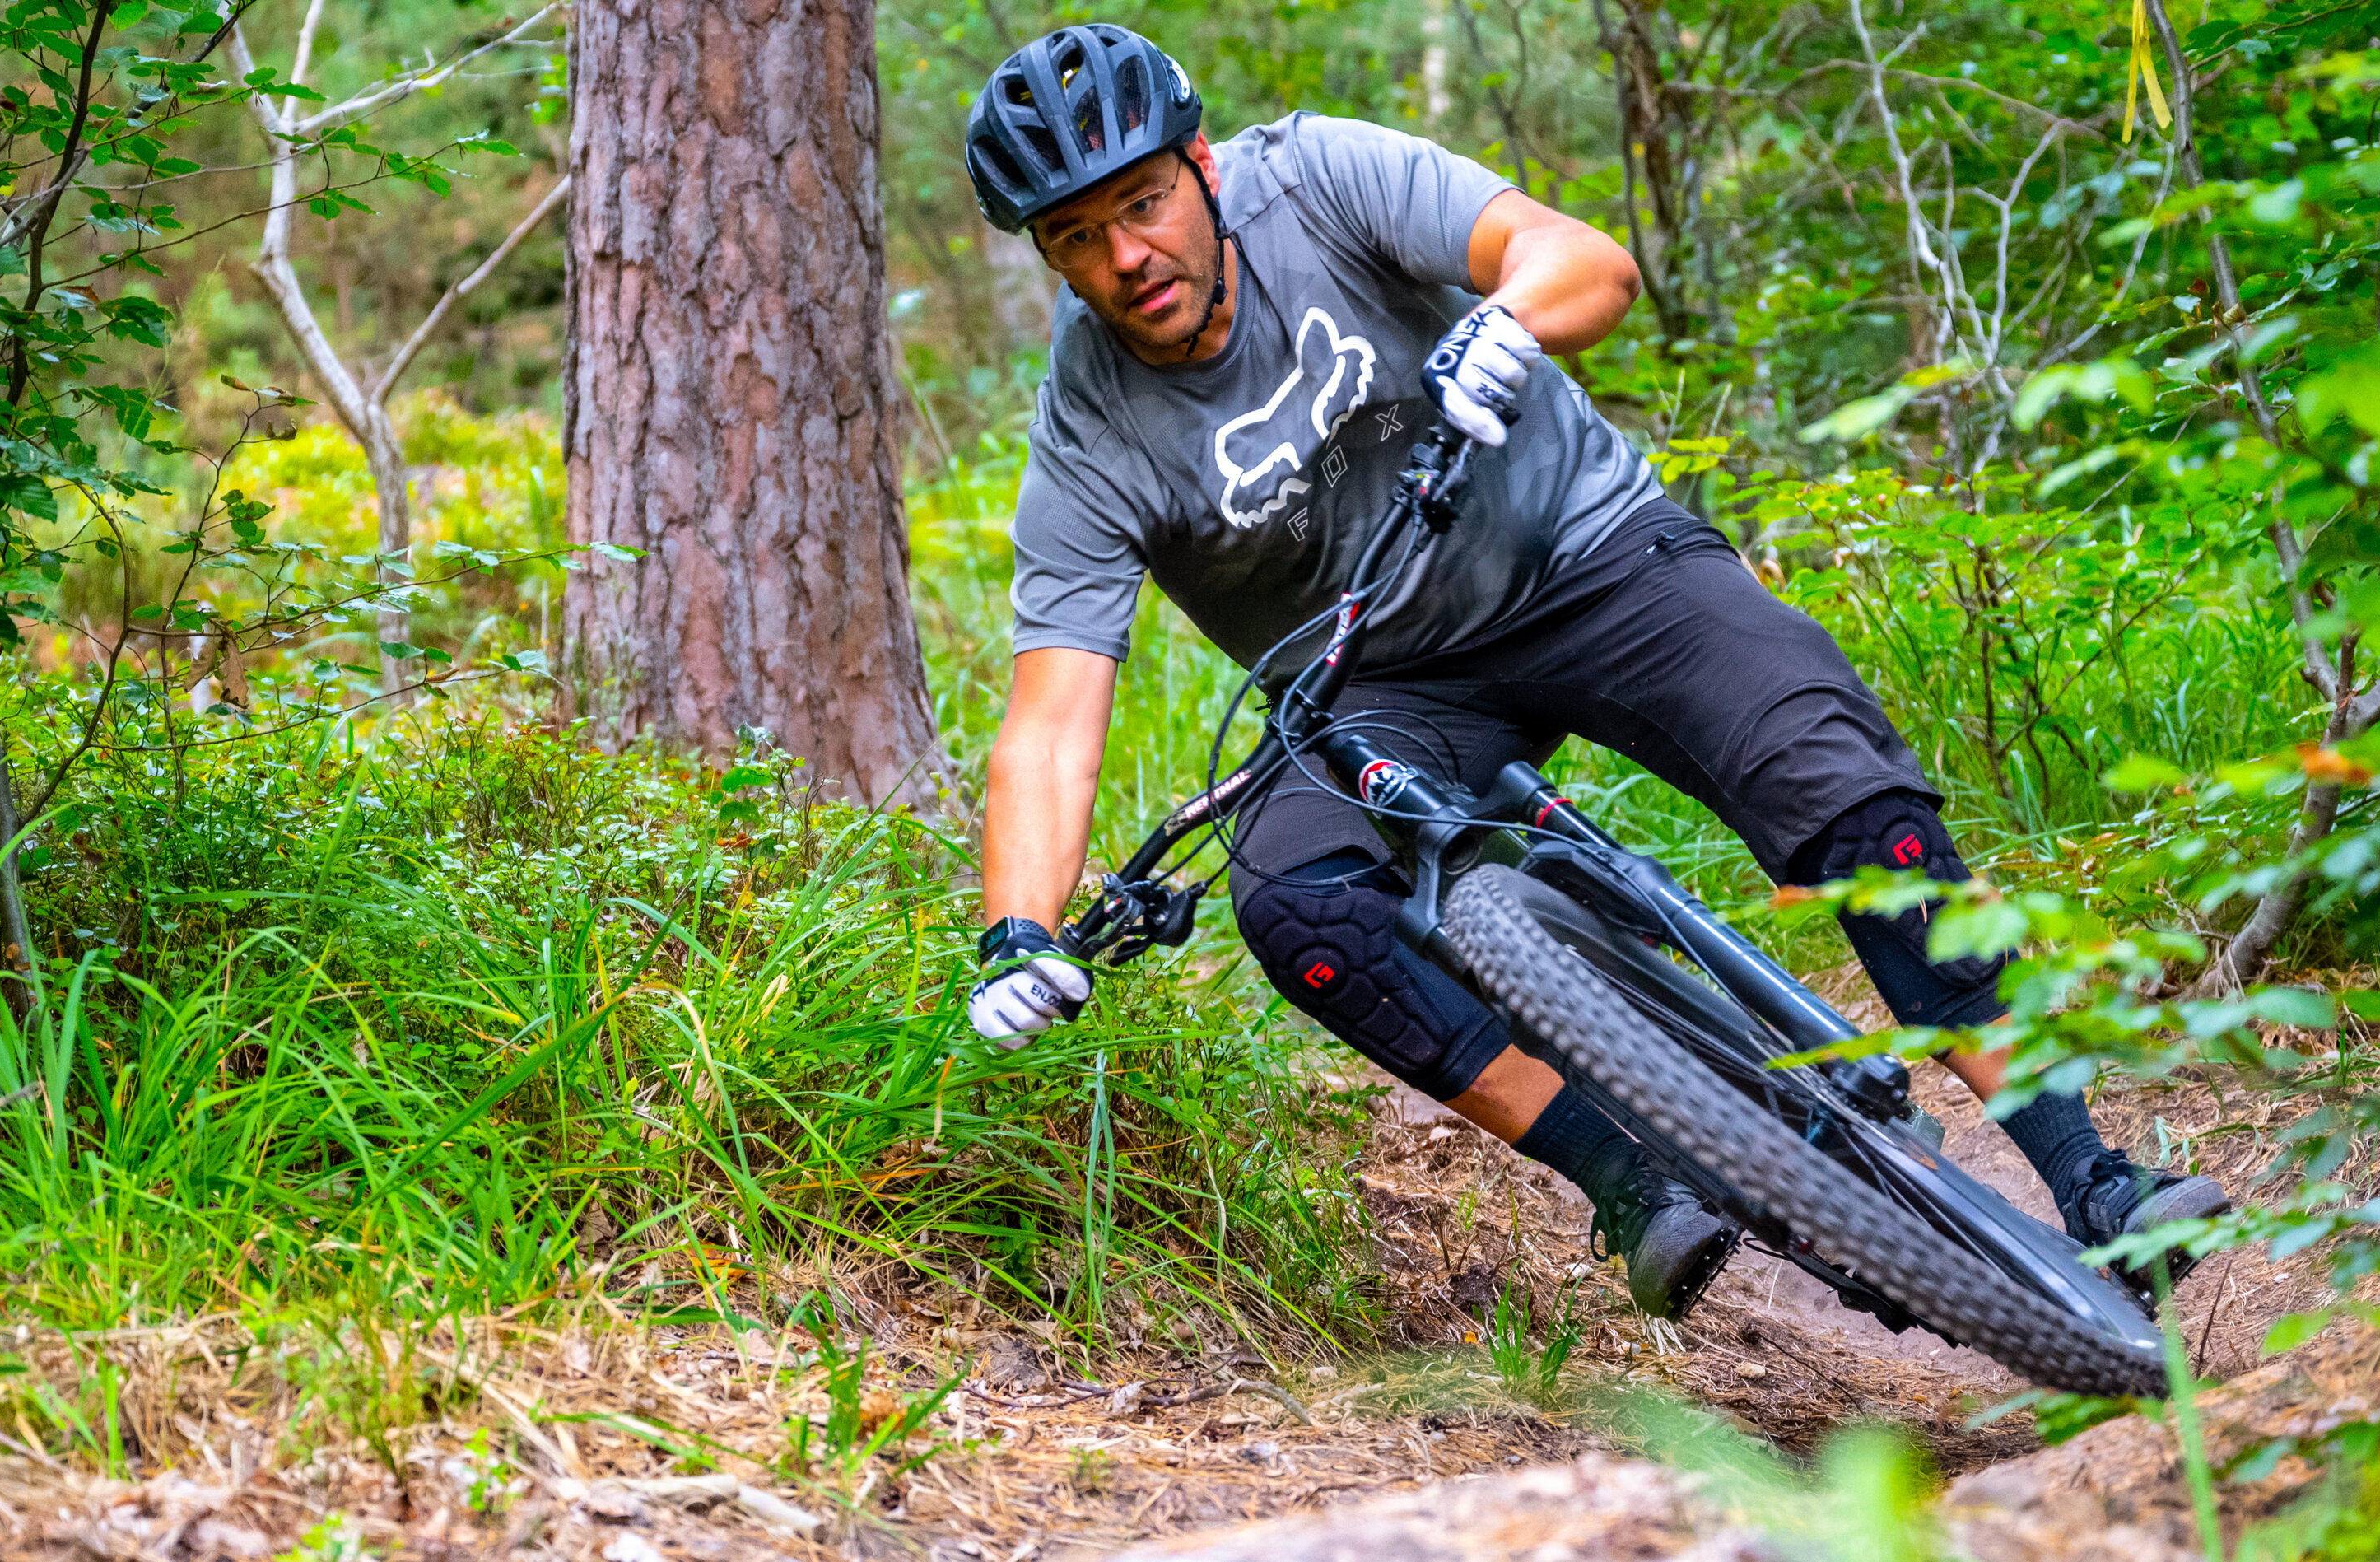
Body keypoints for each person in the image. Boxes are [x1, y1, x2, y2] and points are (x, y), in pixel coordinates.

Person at [949, 25, 2229, 1321]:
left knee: (1821, 760)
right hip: (1380, 687)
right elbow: (1052, 715)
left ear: (1203, 167)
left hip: (1589, 557)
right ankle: (1634, 1178)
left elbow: (1579, 259)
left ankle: (2092, 1175)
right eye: (1075, 237)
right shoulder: (1090, 423)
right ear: (1050, 255)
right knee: (1299, 906)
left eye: (1143, 201)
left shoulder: (1318, 180)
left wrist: (1509, 321)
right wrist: (1018, 938)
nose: (1125, 255)